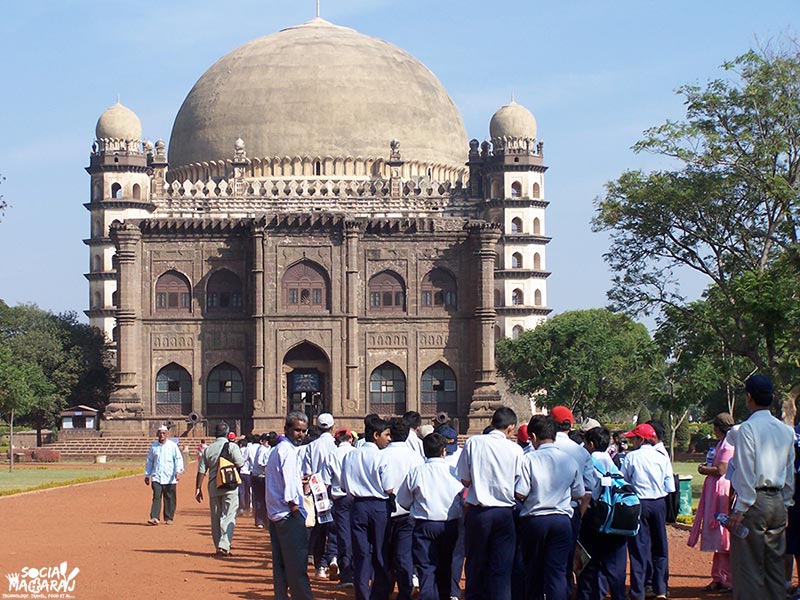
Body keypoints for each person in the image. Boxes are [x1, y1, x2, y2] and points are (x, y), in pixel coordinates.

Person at [727, 375, 795, 600]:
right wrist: (785, 503)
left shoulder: (747, 428)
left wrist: (740, 509)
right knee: (775, 567)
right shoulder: (786, 430)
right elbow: (789, 472)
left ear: (749, 398)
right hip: (777, 501)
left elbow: (746, 471)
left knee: (748, 567)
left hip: (755, 501)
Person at [455, 406, 523, 600]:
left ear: (492, 422)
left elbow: (465, 480)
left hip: (479, 512)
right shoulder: (516, 450)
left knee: (475, 564)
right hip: (504, 513)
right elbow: (520, 487)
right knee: (501, 569)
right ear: (511, 427)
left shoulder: (474, 443)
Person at [515, 415, 585, 600]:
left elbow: (520, 492)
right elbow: (579, 493)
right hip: (561, 520)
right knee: (557, 571)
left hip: (535, 520)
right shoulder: (569, 460)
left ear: (534, 436)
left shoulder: (529, 459)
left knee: (533, 571)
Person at [397, 432, 465, 600]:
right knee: (446, 567)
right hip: (449, 525)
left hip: (424, 526)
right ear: (444, 451)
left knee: (426, 568)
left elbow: (403, 501)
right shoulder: (454, 472)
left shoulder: (416, 472)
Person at [620, 423, 675, 600]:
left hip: (639, 503)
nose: (632, 442)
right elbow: (669, 485)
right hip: (659, 502)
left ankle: (638, 590)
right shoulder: (661, 457)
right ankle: (660, 588)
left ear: (641, 439)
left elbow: (624, 481)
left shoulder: (631, 457)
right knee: (660, 545)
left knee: (638, 547)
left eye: (634, 439)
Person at [341, 415, 393, 600]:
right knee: (380, 553)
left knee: (361, 554)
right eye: (386, 435)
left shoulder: (350, 455)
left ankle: (362, 594)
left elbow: (343, 485)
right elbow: (388, 487)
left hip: (358, 507)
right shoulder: (381, 456)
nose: (389, 439)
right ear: (375, 435)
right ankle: (380, 594)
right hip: (379, 507)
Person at [266, 411, 314, 600]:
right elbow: (289, 487)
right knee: (296, 564)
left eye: (303, 431)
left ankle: (281, 596)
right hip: (288, 514)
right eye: (296, 430)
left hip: (276, 515)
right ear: (286, 430)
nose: (300, 434)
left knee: (280, 563)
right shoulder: (287, 452)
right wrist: (295, 509)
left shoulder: (278, 450)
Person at [576, 426, 628, 600]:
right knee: (615, 566)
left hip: (594, 518)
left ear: (590, 444)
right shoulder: (614, 462)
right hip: (616, 518)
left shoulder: (588, 460)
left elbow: (588, 493)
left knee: (589, 564)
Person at [550, 405, 597, 596]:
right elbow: (590, 486)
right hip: (571, 511)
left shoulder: (536, 448)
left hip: (540, 513)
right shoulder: (580, 452)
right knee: (567, 560)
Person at [687, 413, 735, 593]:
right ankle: (718, 576)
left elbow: (721, 469)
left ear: (718, 427)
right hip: (717, 489)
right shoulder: (723, 442)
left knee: (722, 534)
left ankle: (727, 579)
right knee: (718, 536)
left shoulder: (728, 444)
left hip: (721, 491)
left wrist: (703, 469)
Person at [383, 416, 425, 600]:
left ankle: (385, 589)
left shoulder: (381, 454)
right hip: (407, 513)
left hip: (383, 512)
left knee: (383, 554)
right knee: (403, 556)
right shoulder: (415, 457)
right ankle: (405, 591)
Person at [195, 421, 245, 556]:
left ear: (214, 434)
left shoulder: (207, 449)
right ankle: (225, 544)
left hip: (213, 486)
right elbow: (240, 463)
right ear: (228, 434)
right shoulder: (232, 447)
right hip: (229, 485)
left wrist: (198, 488)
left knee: (215, 517)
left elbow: (201, 471)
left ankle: (218, 545)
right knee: (229, 516)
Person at [304, 413, 338, 579]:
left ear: (317, 427)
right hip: (336, 490)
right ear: (333, 427)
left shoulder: (311, 446)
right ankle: (334, 557)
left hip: (317, 490)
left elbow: (308, 471)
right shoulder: (337, 445)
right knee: (335, 527)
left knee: (319, 528)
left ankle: (320, 567)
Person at [322, 428, 356, 589]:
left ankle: (346, 573)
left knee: (343, 535)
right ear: (350, 439)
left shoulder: (332, 455)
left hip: (339, 499)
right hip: (358, 498)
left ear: (337, 440)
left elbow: (325, 482)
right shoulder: (357, 453)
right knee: (359, 534)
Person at [144, 424, 184, 525]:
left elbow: (178, 459)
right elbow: (150, 461)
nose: (162, 435)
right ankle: (154, 517)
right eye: (160, 433)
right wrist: (147, 474)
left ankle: (169, 517)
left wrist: (178, 471)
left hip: (170, 476)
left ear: (167, 434)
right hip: (157, 476)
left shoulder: (172, 446)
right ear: (157, 434)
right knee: (156, 496)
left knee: (169, 497)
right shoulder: (154, 447)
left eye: (163, 433)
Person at [251, 432, 272, 528]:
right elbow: (260, 462)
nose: (267, 442)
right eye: (266, 441)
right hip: (259, 476)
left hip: (259, 476)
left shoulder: (265, 449)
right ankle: (260, 520)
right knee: (260, 499)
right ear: (262, 441)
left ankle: (263, 520)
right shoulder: (262, 449)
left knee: (262, 499)